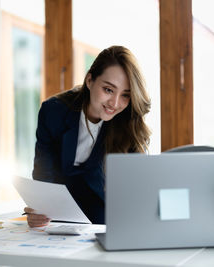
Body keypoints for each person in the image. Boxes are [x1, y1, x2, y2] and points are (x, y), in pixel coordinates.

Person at [25, 45, 151, 227]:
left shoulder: (129, 124)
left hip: (107, 222)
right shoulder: (54, 111)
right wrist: (38, 208)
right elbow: (44, 177)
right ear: (90, 80)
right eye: (108, 90)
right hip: (59, 221)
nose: (115, 103)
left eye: (125, 95)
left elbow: (135, 193)